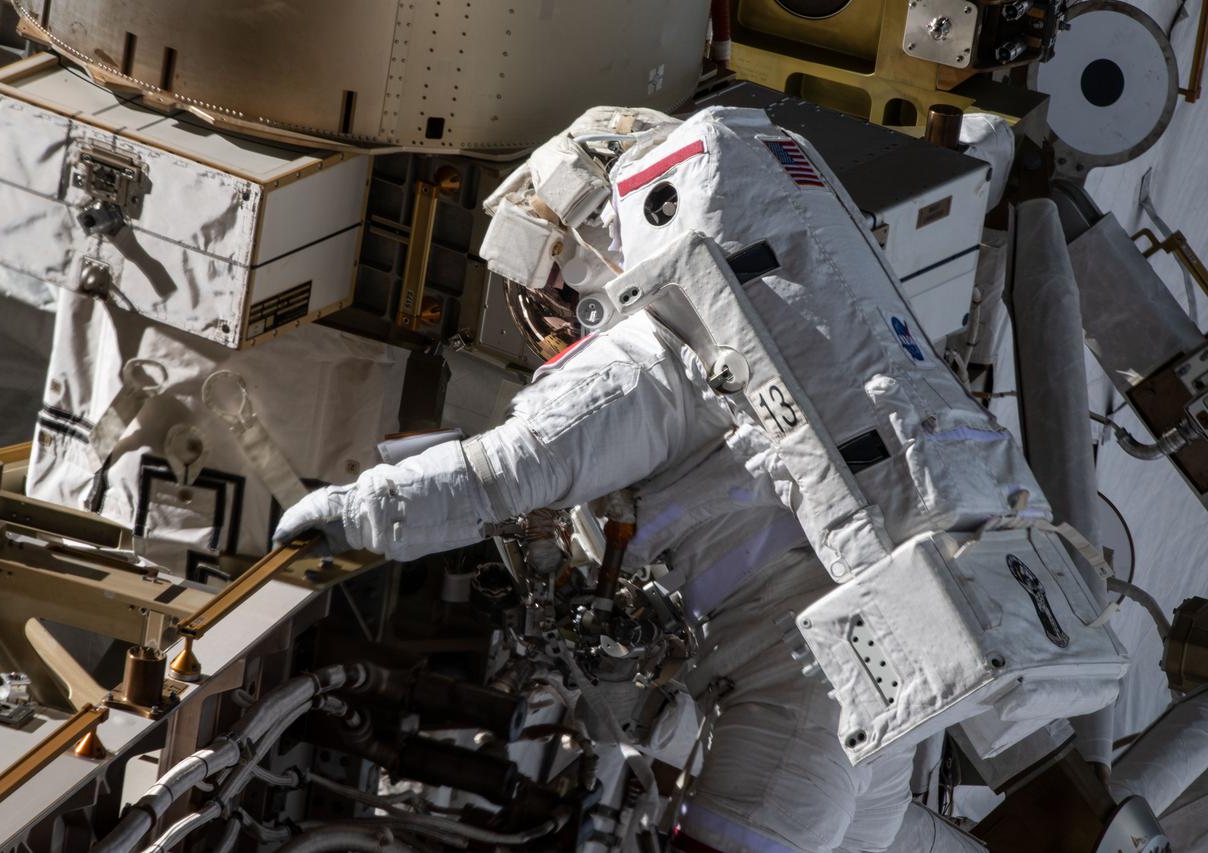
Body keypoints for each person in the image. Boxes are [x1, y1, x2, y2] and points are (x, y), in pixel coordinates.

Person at [273, 106, 932, 852]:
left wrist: (356, 514)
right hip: (874, 688)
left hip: (798, 702)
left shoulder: (647, 360)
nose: (547, 318)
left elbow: (505, 472)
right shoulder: (746, 327)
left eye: (550, 285)